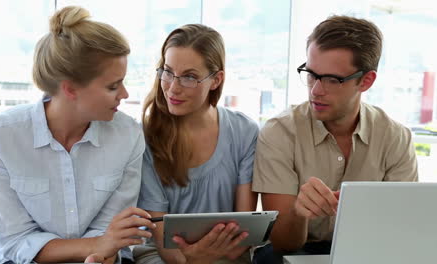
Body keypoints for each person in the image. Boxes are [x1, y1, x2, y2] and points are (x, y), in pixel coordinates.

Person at [0, 6, 155, 264]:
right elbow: (17, 240)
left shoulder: (128, 135)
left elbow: (112, 234)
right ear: (70, 89)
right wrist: (99, 244)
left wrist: (101, 252)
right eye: (113, 86)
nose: (125, 95)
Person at [252, 15, 418, 263]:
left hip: (367, 249)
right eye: (311, 74)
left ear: (366, 81)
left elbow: (402, 230)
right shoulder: (279, 132)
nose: (316, 90)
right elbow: (282, 242)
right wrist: (299, 213)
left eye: (332, 79)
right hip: (294, 249)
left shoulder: (395, 137)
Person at [133, 24, 259, 264]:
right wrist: (192, 259)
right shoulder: (146, 137)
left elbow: (243, 236)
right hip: (163, 258)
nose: (173, 87)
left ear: (216, 80)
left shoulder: (245, 132)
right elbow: (163, 243)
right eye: (168, 72)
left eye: (189, 77)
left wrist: (208, 255)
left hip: (227, 256)